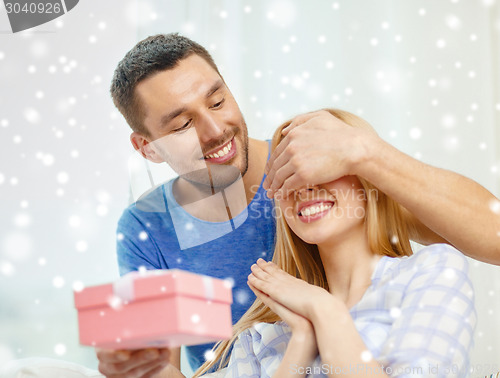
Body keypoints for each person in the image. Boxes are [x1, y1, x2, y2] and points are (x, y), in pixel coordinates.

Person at [96, 33, 498, 377]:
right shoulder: (145, 228)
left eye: (217, 101)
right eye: (182, 125)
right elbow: (161, 368)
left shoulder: (318, 170)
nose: (215, 131)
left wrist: (366, 153)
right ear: (147, 147)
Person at [187, 109, 476, 377]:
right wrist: (302, 339)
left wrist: (326, 311)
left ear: (369, 176)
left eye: (321, 167)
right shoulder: (259, 337)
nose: (304, 185)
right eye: (287, 174)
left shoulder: (432, 272)